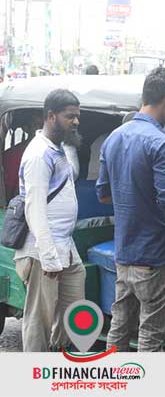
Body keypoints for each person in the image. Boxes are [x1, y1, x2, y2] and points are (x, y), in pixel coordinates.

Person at [96, 67, 165, 352]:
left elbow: (104, 195)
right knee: (151, 333)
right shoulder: (159, 142)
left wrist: (133, 194)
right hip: (155, 254)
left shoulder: (114, 138)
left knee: (119, 326)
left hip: (125, 252)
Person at [14, 89, 83, 352]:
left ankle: (57, 357)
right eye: (70, 117)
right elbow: (34, 209)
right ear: (51, 116)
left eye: (77, 117)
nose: (75, 122)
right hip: (42, 250)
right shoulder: (38, 155)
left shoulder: (58, 148)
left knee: (75, 308)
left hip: (64, 244)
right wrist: (49, 256)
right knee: (38, 320)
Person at [3, 112, 44, 199]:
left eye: (43, 126)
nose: (42, 130)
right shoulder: (11, 155)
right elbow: (8, 188)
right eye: (38, 125)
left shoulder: (57, 153)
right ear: (26, 128)